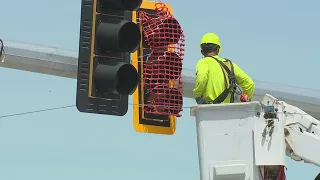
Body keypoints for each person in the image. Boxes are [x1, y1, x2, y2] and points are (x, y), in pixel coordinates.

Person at [193, 33, 255, 104]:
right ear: (218, 49)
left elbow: (201, 77)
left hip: (209, 110)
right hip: (228, 110)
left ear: (202, 51)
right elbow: (250, 83)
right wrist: (247, 97)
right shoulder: (229, 64)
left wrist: (197, 96)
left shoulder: (203, 62)